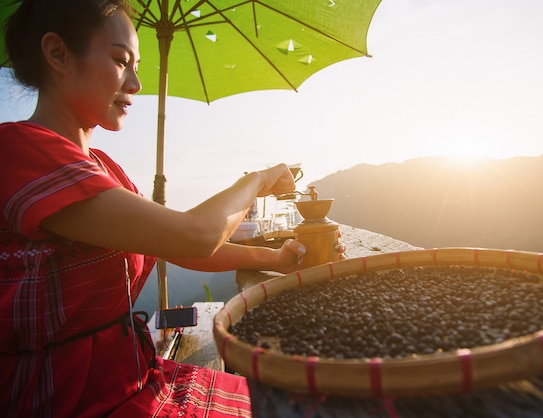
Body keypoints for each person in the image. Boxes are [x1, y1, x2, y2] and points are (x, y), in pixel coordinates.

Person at [0, 0, 342, 416]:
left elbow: (176, 244)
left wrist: (277, 259)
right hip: (69, 397)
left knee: (295, 397)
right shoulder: (19, 151)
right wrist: (259, 180)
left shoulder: (105, 169)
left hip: (131, 376)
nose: (136, 83)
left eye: (137, 65)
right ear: (57, 53)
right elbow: (194, 235)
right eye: (120, 60)